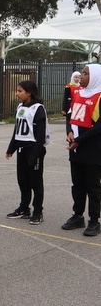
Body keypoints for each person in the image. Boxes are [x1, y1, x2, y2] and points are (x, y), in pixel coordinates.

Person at [62, 64, 101, 236]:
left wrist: (79, 140)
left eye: (85, 74)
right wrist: (69, 132)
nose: (81, 77)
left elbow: (99, 127)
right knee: (77, 185)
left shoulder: (99, 96)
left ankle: (94, 220)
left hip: (92, 148)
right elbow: (70, 116)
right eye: (82, 73)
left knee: (93, 187)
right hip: (75, 147)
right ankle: (78, 216)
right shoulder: (78, 94)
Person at [4, 81, 49, 224]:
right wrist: (12, 148)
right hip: (22, 149)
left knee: (35, 182)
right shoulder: (20, 107)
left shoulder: (38, 109)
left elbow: (40, 135)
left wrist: (34, 155)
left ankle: (38, 211)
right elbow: (17, 130)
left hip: (34, 149)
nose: (17, 94)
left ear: (29, 92)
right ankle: (24, 207)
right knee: (22, 180)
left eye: (20, 91)